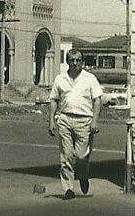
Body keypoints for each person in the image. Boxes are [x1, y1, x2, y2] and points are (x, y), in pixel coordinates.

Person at [48, 49, 103, 200]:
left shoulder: (90, 78)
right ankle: (68, 189)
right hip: (65, 119)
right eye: (72, 60)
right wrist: (51, 120)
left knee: (81, 156)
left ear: (82, 62)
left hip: (84, 121)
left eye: (78, 60)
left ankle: (83, 176)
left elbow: (97, 100)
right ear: (67, 61)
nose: (75, 63)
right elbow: (54, 100)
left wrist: (95, 121)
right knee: (66, 156)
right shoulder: (60, 79)